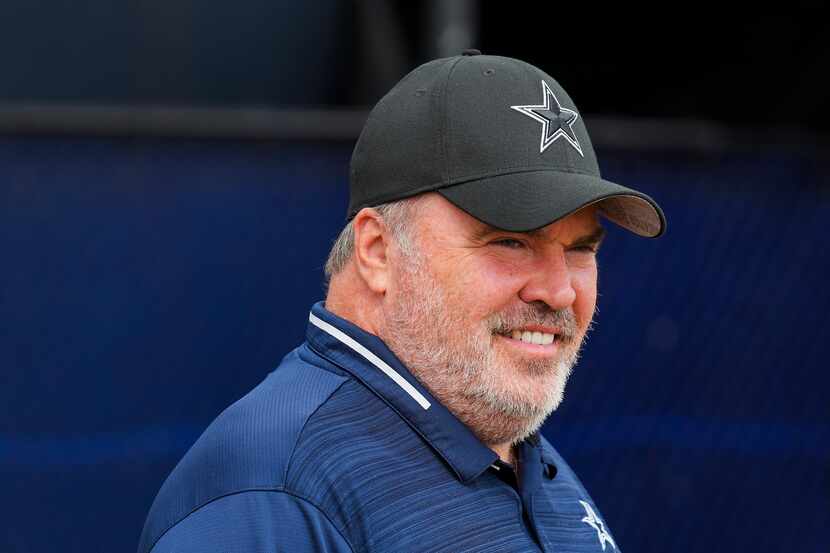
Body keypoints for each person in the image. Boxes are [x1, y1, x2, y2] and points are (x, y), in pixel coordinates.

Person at [138, 50, 666, 553]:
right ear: (377, 251)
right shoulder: (270, 494)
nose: (558, 291)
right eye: (510, 241)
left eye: (579, 250)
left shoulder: (512, 452)